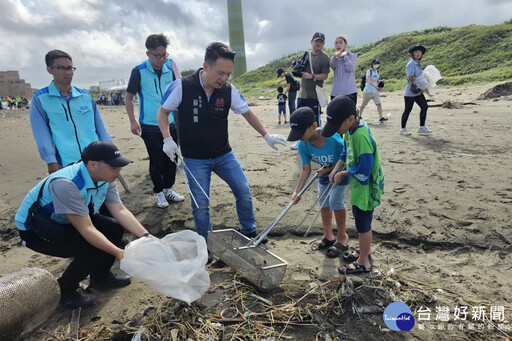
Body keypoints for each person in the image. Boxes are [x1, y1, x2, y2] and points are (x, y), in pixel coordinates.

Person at [157, 42, 287, 241]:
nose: (224, 78)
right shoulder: (182, 87)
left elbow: (247, 113)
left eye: (228, 74)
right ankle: (206, 243)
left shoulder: (228, 90)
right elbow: (163, 112)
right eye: (220, 73)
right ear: (206, 66)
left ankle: (249, 231)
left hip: (223, 154)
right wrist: (167, 139)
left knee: (243, 191)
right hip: (194, 158)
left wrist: (266, 135)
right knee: (200, 204)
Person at [15, 141, 152, 309]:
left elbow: (119, 209)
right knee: (91, 248)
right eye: (114, 166)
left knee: (114, 227)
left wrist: (146, 236)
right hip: (37, 228)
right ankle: (65, 291)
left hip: (69, 218)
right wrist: (118, 252)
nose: (118, 171)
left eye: (119, 166)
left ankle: (100, 277)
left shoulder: (106, 177)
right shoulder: (67, 184)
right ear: (93, 165)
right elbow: (86, 229)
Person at [322, 95, 384, 274]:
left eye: (337, 126)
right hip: (359, 186)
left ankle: (364, 262)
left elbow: (365, 166)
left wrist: (343, 174)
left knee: (363, 224)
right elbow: (345, 150)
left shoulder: (361, 137)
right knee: (360, 220)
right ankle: (365, 250)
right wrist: (336, 169)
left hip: (367, 187)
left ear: (350, 119)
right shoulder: (350, 130)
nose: (336, 130)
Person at [30, 50, 112, 174]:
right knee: (75, 192)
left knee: (103, 191)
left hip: (96, 159)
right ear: (49, 69)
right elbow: (41, 132)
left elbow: (100, 127)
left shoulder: (85, 96)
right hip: (65, 162)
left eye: (69, 68)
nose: (67, 72)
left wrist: (109, 149)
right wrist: (51, 160)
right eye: (61, 68)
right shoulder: (40, 99)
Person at [125, 33, 184, 208]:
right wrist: (133, 121)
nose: (161, 59)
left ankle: (168, 189)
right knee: (156, 159)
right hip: (149, 124)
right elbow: (129, 98)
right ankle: (158, 192)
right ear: (148, 53)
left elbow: (178, 93)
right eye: (157, 55)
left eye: (164, 54)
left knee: (172, 157)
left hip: (171, 121)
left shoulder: (170, 68)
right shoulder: (139, 71)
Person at [287, 107, 349, 257]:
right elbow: (305, 170)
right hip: (324, 174)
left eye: (301, 132)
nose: (299, 137)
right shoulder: (303, 144)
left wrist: (329, 171)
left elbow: (346, 160)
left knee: (335, 202)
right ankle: (328, 236)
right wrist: (297, 191)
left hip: (341, 173)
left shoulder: (334, 140)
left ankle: (342, 237)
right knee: (323, 203)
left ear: (314, 126)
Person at [297, 32, 330, 128]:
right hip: (302, 95)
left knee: (314, 121)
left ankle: (317, 141)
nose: (318, 43)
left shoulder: (324, 57)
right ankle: (302, 141)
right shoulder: (306, 55)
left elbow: (325, 75)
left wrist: (313, 76)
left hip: (314, 96)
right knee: (300, 119)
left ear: (323, 44)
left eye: (321, 42)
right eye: (316, 41)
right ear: (311, 42)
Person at [400, 45, 431, 136]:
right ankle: (403, 129)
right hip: (410, 92)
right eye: (416, 52)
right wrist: (422, 79)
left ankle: (422, 127)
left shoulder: (419, 63)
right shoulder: (411, 64)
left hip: (418, 91)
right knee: (408, 110)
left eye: (420, 52)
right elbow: (410, 77)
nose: (418, 54)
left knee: (424, 106)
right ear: (412, 54)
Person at [330, 35, 358, 104]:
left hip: (349, 91)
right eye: (336, 43)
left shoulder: (352, 56)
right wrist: (336, 57)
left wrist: (345, 57)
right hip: (336, 92)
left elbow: (349, 68)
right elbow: (332, 65)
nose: (338, 45)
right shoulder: (334, 57)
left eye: (340, 42)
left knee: (350, 114)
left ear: (345, 44)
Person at [359, 59, 387, 123]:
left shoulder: (377, 72)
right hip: (368, 91)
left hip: (375, 92)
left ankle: (381, 117)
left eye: (377, 64)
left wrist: (380, 81)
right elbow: (369, 81)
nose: (376, 65)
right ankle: (359, 116)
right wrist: (376, 87)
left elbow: (376, 80)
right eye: (375, 64)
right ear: (372, 64)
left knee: (378, 104)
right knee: (363, 104)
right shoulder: (369, 71)